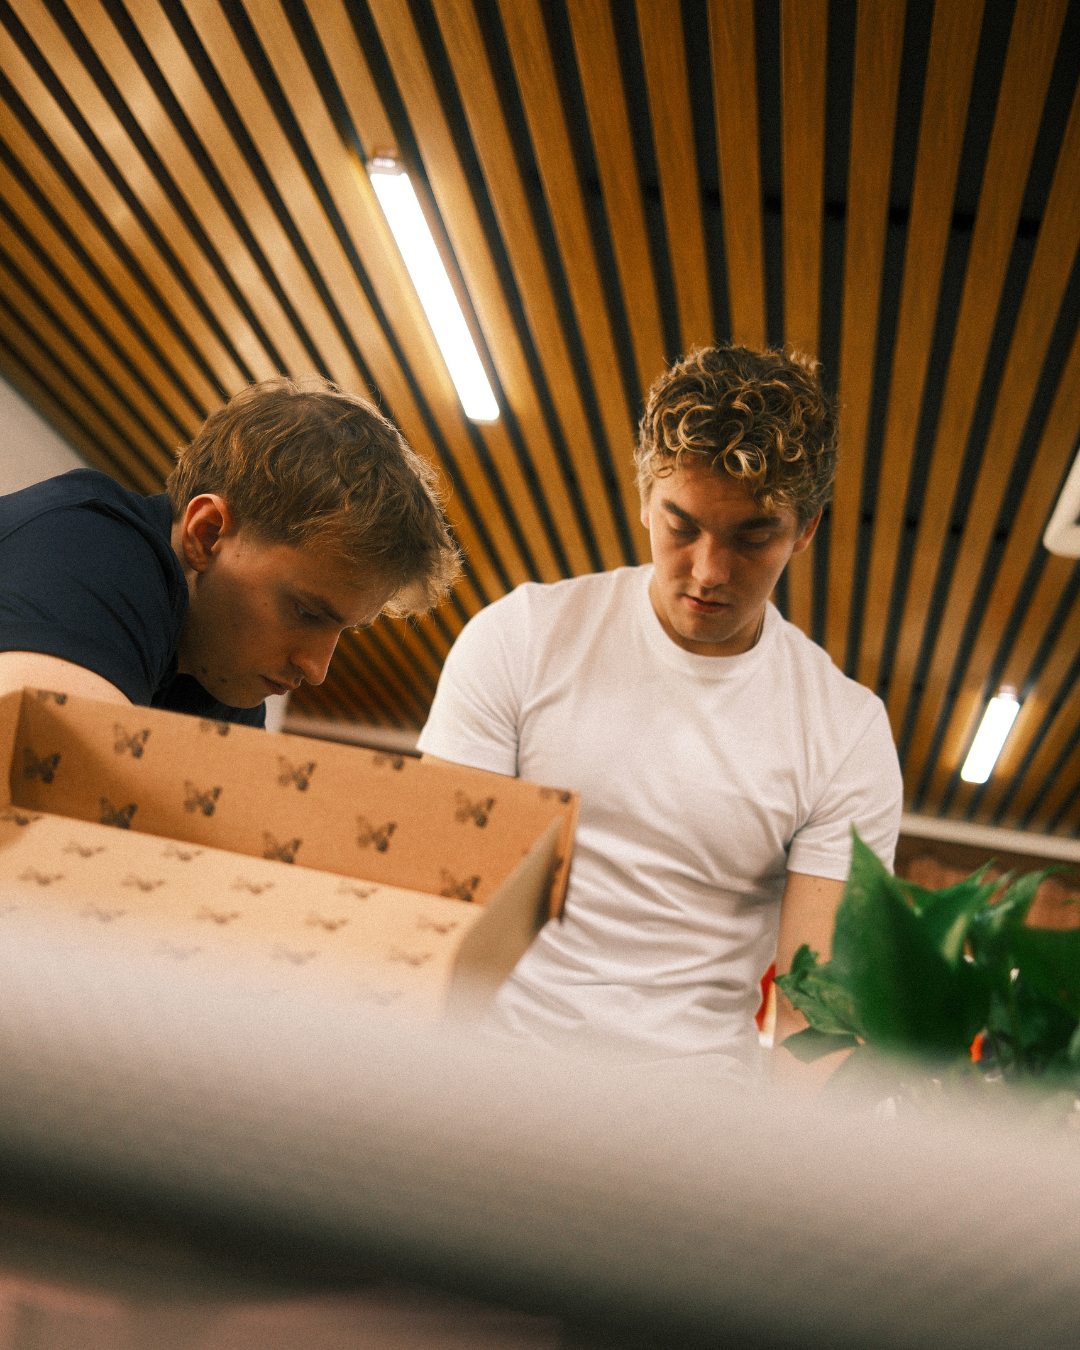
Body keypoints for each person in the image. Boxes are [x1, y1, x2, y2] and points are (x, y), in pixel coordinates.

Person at [418, 346, 903, 1075]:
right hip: (492, 1076)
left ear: (805, 530)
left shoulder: (848, 732)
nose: (709, 571)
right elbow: (437, 901)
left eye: (753, 537)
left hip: (691, 1111)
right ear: (646, 496)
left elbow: (817, 1018)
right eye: (682, 526)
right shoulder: (521, 638)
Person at [0, 375, 459, 724]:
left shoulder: (221, 681)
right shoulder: (89, 549)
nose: (317, 669)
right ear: (207, 534)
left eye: (346, 629)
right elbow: (40, 784)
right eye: (306, 612)